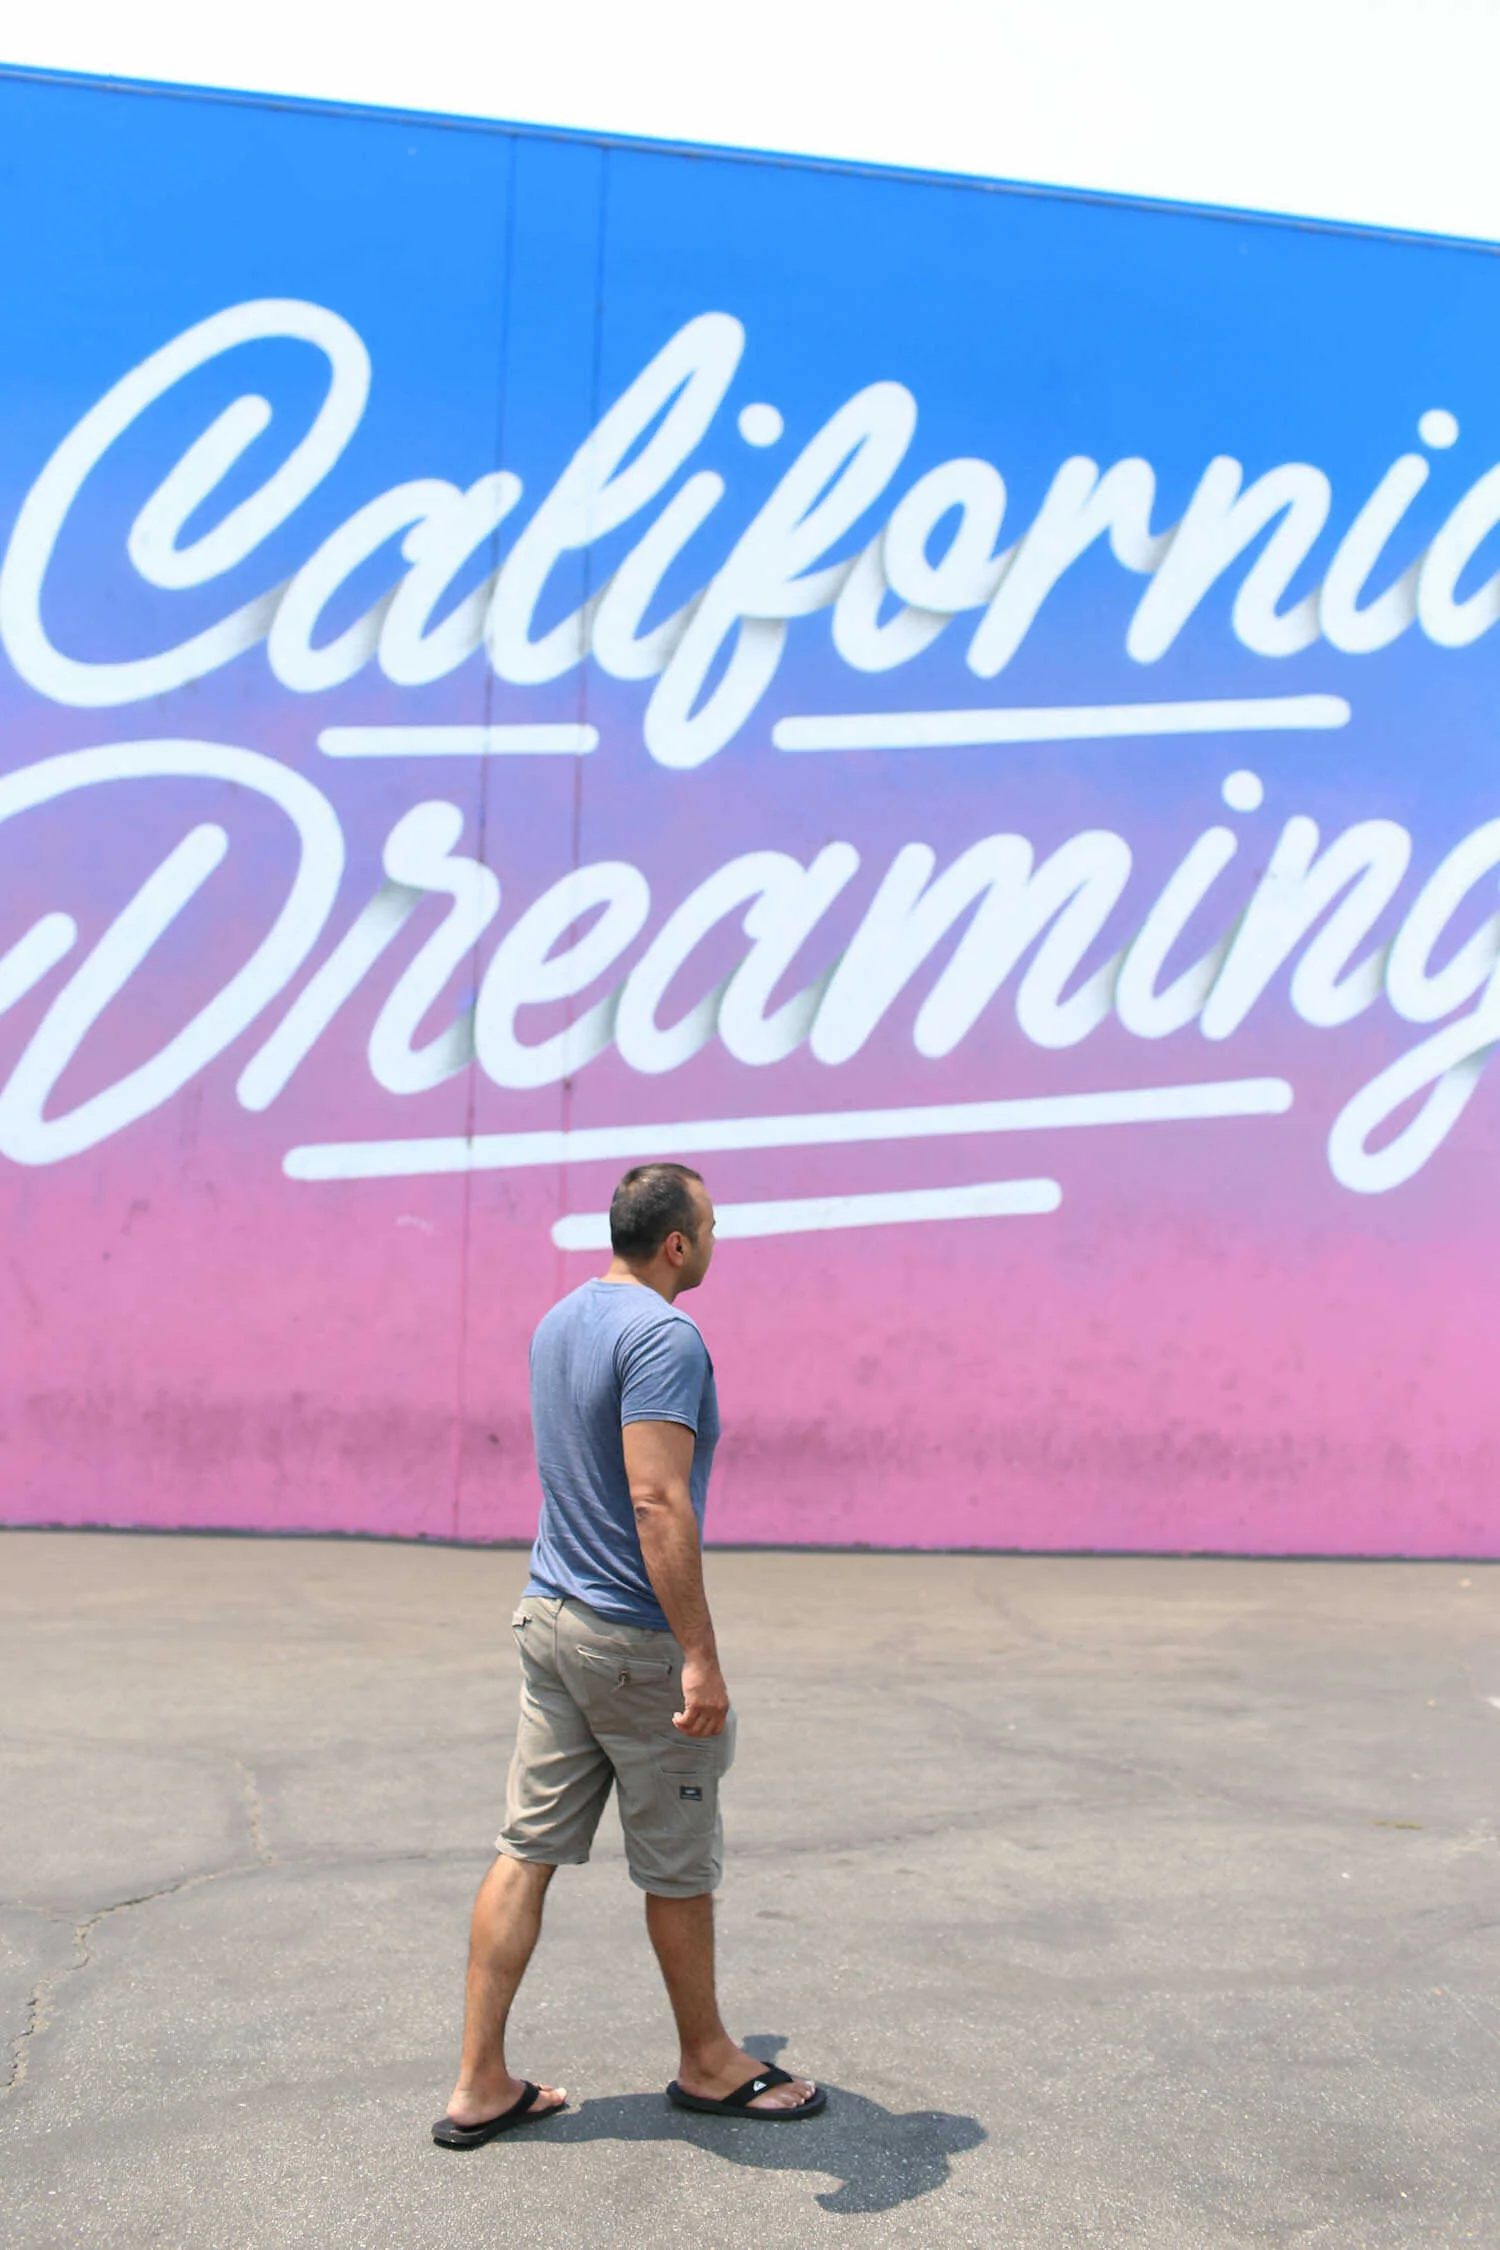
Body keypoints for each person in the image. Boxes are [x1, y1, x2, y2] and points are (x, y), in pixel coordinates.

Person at [433, 1161, 826, 2147]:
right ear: (678, 1244)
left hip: (549, 1616)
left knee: (525, 1850)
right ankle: (708, 2063)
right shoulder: (665, 1336)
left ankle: (480, 2083)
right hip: (627, 1638)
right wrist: (699, 1654)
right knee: (678, 1866)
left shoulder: (560, 1321)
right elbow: (656, 1499)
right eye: (712, 1223)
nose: (718, 1236)